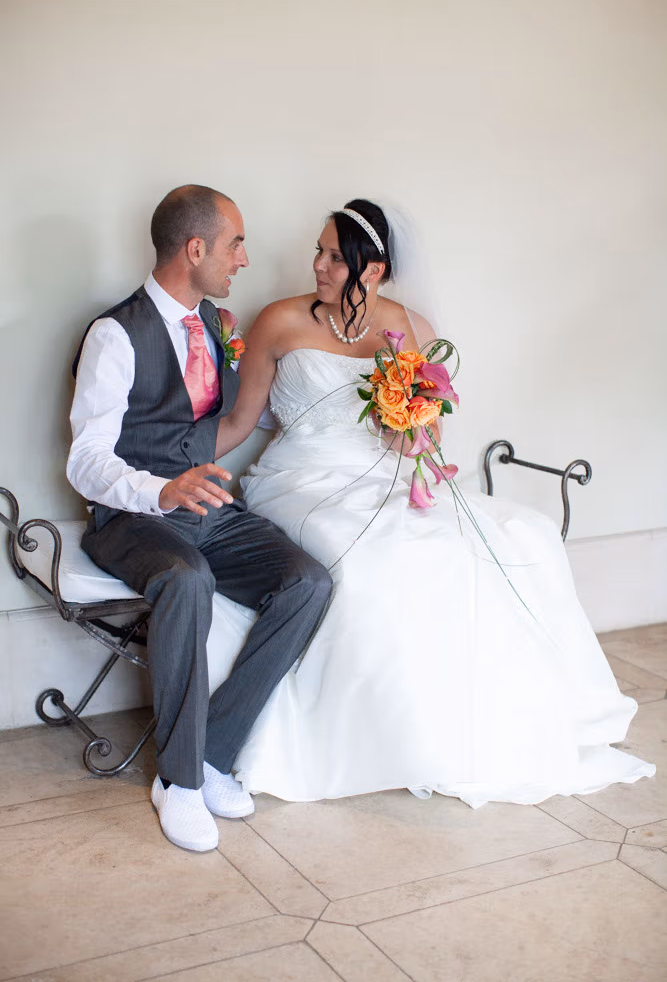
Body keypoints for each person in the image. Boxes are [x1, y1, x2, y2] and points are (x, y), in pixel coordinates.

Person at [203, 198, 655, 806]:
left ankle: (466, 730)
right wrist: (163, 462)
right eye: (319, 251)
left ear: (373, 270)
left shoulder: (403, 326)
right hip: (300, 477)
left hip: (383, 475)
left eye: (336, 258)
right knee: (367, 557)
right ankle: (368, 737)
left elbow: (427, 434)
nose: (319, 265)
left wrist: (402, 425)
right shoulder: (279, 319)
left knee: (502, 541)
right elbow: (239, 422)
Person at [67, 185, 333, 851]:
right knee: (188, 580)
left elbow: (234, 412)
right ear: (194, 249)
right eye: (234, 243)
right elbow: (85, 461)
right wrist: (162, 491)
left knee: (307, 583)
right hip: (133, 516)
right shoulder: (114, 334)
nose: (243, 258)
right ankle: (179, 781)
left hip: (209, 508)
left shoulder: (212, 324)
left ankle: (212, 754)